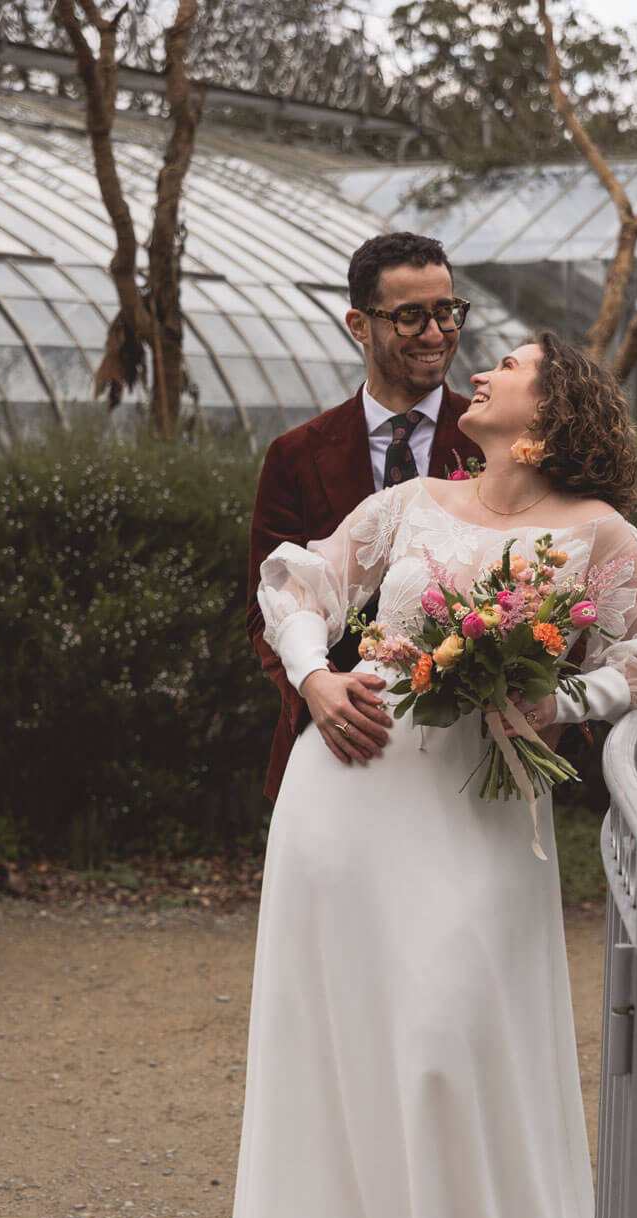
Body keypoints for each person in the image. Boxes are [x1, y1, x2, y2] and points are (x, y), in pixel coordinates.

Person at [221, 331, 637, 1218]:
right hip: (346, 791)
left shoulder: (598, 535)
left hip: (480, 813)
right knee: (335, 1030)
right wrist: (314, 678)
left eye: (509, 363)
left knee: (442, 1029)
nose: (478, 370)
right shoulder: (408, 506)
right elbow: (299, 584)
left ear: (549, 410)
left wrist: (562, 698)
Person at [247, 231, 483, 802]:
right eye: (410, 317)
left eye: (446, 312)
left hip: (468, 756)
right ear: (359, 325)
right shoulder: (296, 455)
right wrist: (316, 687)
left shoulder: (492, 440)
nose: (435, 335)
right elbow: (266, 610)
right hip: (337, 751)